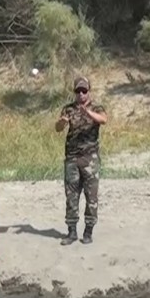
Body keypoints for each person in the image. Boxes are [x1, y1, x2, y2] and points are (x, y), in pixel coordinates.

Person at [55, 76, 108, 245]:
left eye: (84, 91)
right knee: (71, 195)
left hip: (89, 158)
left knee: (91, 196)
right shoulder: (68, 109)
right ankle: (71, 232)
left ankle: (88, 231)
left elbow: (103, 120)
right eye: (78, 91)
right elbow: (57, 128)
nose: (81, 94)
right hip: (72, 158)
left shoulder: (97, 107)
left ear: (89, 91)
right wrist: (62, 123)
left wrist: (88, 113)